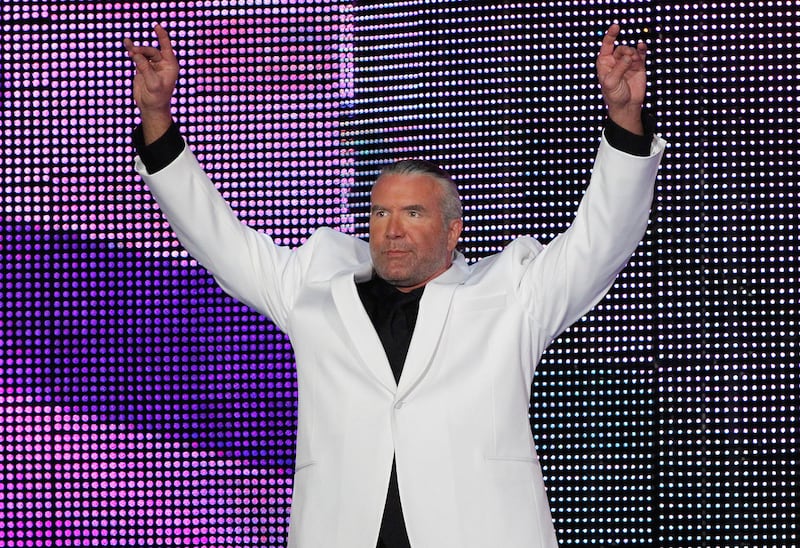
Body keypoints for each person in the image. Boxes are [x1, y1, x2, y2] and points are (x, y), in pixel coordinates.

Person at [125, 22, 665, 548]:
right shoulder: (311, 287)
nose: (393, 229)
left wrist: (623, 117)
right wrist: (156, 116)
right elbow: (214, 236)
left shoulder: (512, 295)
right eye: (381, 213)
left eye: (412, 212)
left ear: (453, 230)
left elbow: (603, 239)